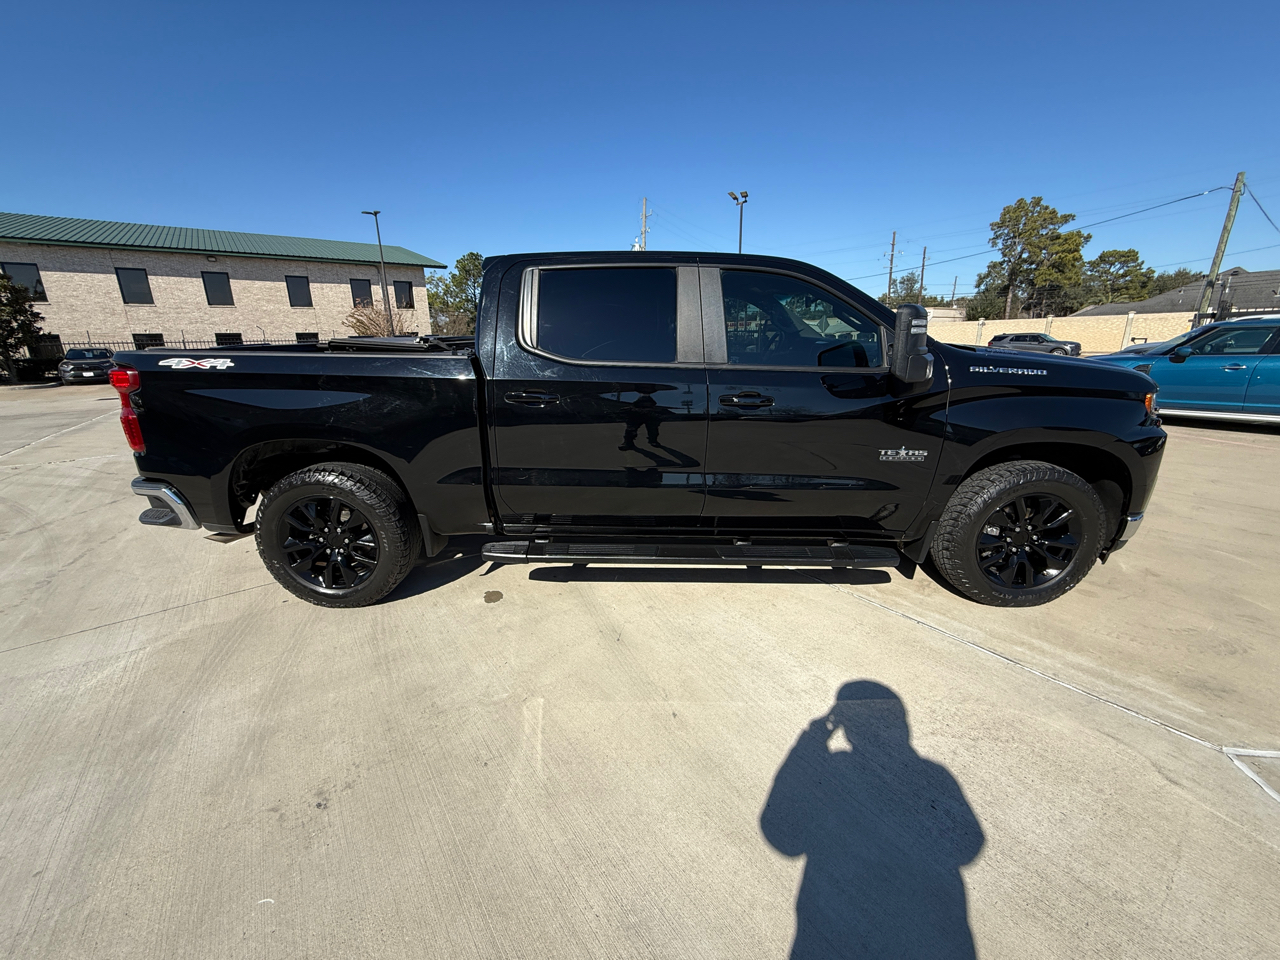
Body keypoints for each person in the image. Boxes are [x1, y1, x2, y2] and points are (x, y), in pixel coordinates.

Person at [760, 681, 984, 959]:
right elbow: (967, 845)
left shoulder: (831, 773)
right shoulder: (933, 778)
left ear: (846, 727)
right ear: (901, 726)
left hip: (835, 931)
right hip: (922, 938)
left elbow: (782, 834)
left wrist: (810, 743)